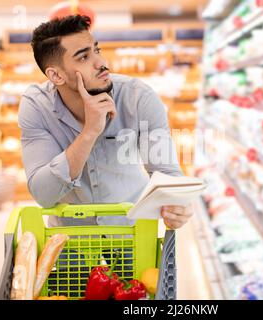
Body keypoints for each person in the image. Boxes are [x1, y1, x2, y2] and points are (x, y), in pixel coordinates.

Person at [18, 14, 193, 230]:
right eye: (83, 57)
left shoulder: (138, 98)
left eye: (97, 50)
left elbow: (168, 175)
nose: (101, 63)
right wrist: (89, 132)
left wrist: (177, 205)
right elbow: (43, 194)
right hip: (71, 240)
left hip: (131, 232)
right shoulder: (36, 106)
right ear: (56, 76)